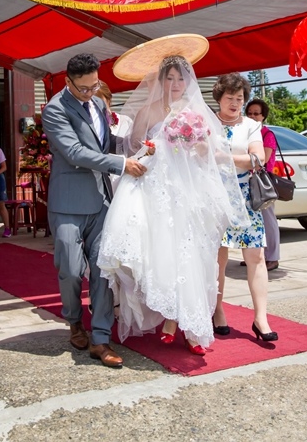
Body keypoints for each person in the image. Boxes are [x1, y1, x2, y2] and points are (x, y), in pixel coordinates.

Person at [98, 54, 247, 354]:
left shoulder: (196, 111)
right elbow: (136, 147)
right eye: (170, 78)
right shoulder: (147, 111)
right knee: (164, 254)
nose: (177, 84)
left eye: (181, 78)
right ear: (160, 81)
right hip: (158, 188)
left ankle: (191, 327)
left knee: (191, 254)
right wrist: (156, 146)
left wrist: (192, 141)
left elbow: (209, 151)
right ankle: (170, 317)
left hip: (188, 191)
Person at [41, 53, 148, 368]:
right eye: (84, 88)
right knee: (71, 268)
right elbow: (74, 151)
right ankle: (74, 321)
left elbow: (106, 146)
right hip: (68, 202)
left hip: (102, 199)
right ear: (68, 82)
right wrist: (121, 164)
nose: (91, 93)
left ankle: (101, 339)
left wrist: (141, 149)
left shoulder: (100, 104)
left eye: (95, 85)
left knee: (104, 270)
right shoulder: (54, 109)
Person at [212, 73, 278, 342]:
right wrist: (241, 159)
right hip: (214, 196)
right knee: (219, 258)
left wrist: (222, 157)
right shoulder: (206, 123)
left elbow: (258, 158)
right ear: (219, 98)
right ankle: (217, 310)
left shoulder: (250, 125)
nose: (235, 103)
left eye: (239, 98)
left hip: (246, 197)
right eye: (230, 98)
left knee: (256, 256)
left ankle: (260, 317)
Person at [244, 99, 281, 272]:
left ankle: (272, 257)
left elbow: (262, 160)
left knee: (268, 220)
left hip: (261, 183)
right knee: (251, 221)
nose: (252, 116)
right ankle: (254, 254)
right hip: (246, 182)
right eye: (250, 113)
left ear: (263, 116)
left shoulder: (267, 135)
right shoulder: (245, 133)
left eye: (256, 113)